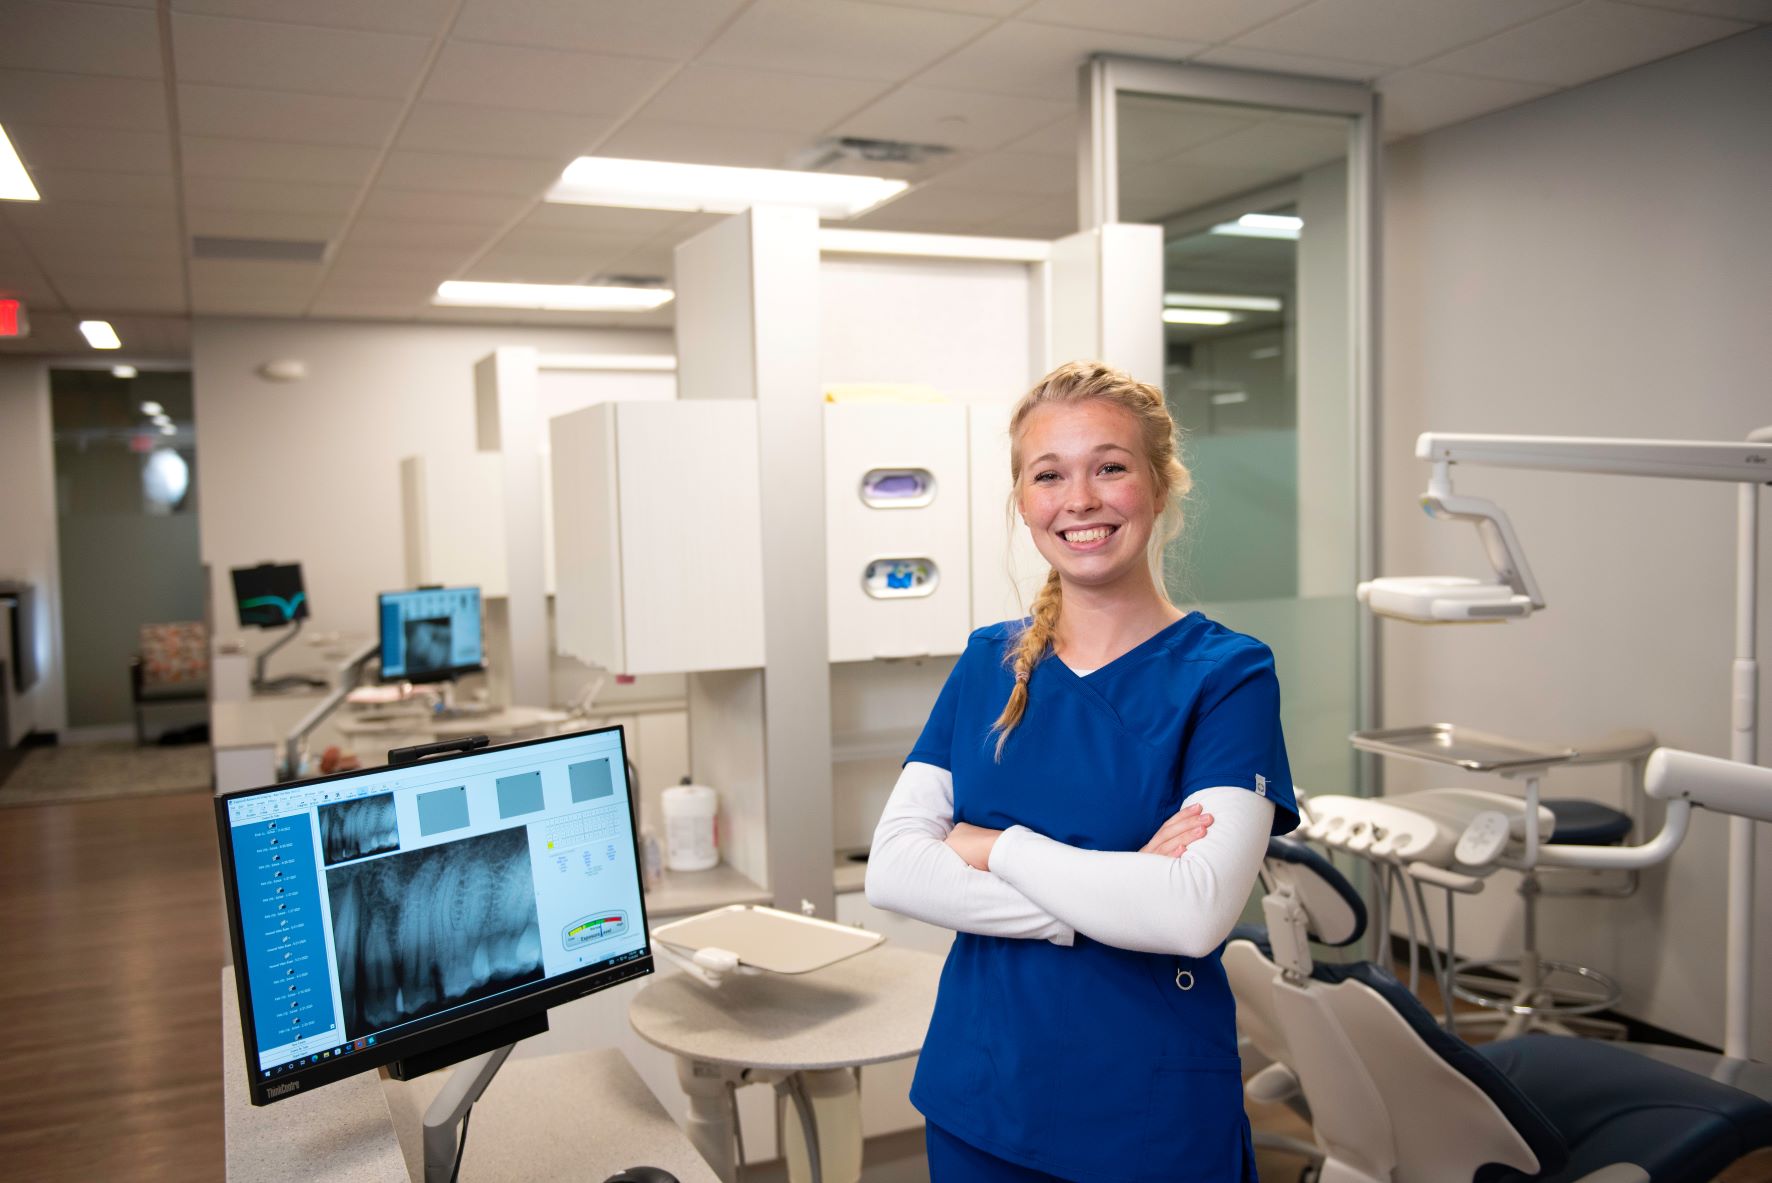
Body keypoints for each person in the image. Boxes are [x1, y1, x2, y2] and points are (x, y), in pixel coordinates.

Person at [865, 360, 1299, 1182]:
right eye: (1049, 474)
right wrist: (1116, 889)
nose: (1081, 500)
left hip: (1148, 1113)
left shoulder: (1228, 675)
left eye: (1110, 466)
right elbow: (893, 870)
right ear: (1024, 500)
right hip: (981, 1096)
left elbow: (1192, 915)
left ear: (1160, 484)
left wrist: (994, 846)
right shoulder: (989, 662)